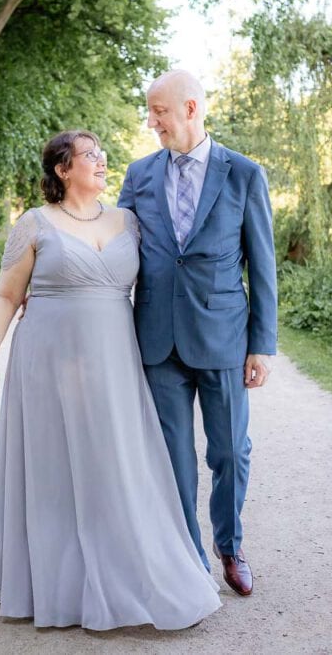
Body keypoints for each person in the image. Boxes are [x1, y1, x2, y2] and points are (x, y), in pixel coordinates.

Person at [0, 130, 221, 631]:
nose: (102, 160)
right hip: (46, 364)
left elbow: (171, 274)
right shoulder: (34, 224)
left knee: (114, 463)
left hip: (114, 364)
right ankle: (55, 585)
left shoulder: (129, 222)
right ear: (62, 169)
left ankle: (131, 574)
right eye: (89, 154)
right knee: (52, 471)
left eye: (102, 153)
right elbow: (5, 295)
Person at [117, 70, 278, 597]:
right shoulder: (139, 174)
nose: (151, 121)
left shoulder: (244, 174)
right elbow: (112, 249)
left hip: (224, 335)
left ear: (189, 109)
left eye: (158, 111)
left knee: (231, 450)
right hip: (157, 338)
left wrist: (262, 343)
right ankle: (188, 559)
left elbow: (263, 265)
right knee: (174, 458)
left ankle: (229, 546)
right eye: (149, 112)